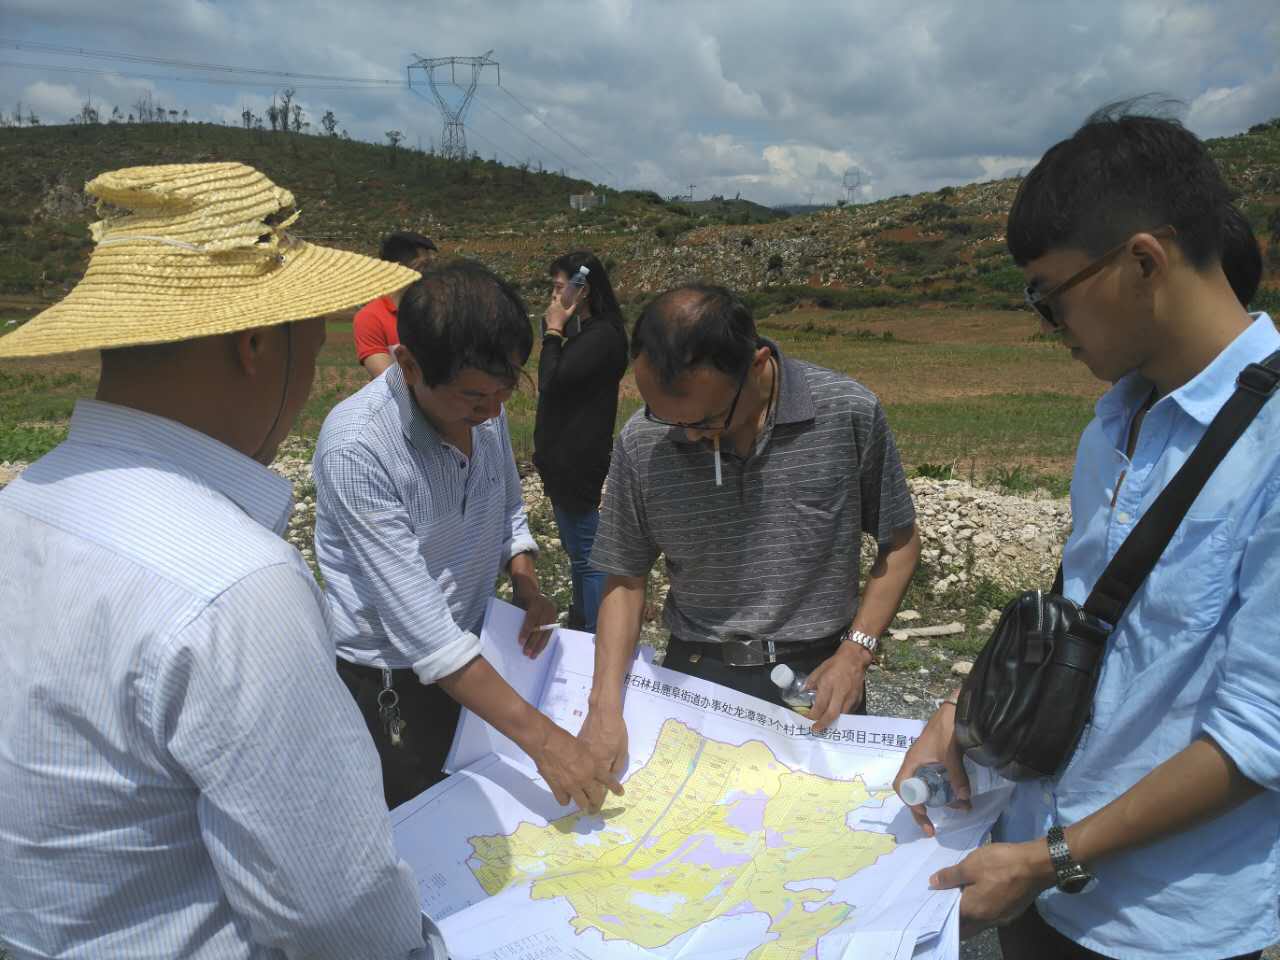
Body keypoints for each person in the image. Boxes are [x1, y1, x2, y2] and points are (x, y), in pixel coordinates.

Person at [0, 163, 442, 958]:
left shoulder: (22, 504)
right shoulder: (238, 588)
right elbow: (338, 916)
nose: (309, 379)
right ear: (256, 343)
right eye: (310, 339)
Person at [897, 107, 1280, 960]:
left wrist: (1052, 860)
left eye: (1049, 294)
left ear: (1143, 262)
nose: (1047, 322)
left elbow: (1262, 733)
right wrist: (958, 714)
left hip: (1162, 924)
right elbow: (1090, 619)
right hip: (1033, 876)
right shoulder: (1113, 423)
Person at [314, 260, 623, 813]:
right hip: (393, 680)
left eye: (506, 390)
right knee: (421, 825)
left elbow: (507, 507)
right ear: (408, 364)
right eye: (476, 397)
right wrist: (548, 743)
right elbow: (425, 635)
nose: (494, 411)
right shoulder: (357, 448)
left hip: (478, 657)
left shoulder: (482, 404)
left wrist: (525, 582)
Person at [577, 283, 921, 772]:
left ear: (757, 365)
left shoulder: (847, 413)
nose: (687, 435)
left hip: (817, 676)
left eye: (706, 420)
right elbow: (625, 578)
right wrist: (604, 707)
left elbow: (900, 544)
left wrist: (855, 653)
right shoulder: (644, 441)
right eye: (666, 416)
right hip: (696, 675)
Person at [533, 251, 629, 631]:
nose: (554, 297)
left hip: (576, 460)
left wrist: (553, 331)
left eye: (560, 288)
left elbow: (551, 382)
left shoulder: (602, 336)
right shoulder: (590, 333)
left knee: (588, 554)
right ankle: (583, 621)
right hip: (566, 459)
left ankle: (595, 637)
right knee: (579, 552)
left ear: (583, 290)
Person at [353, 230, 437, 378]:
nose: (431, 273)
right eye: (424, 265)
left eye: (431, 265)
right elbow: (388, 380)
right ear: (398, 269)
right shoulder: (370, 318)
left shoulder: (438, 311)